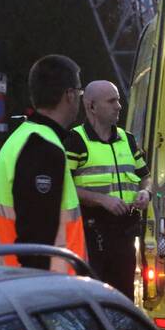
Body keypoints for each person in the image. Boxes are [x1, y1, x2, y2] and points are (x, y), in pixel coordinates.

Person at [0, 54, 87, 272]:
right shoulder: (43, 147)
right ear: (69, 95)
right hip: (46, 291)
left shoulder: (23, 138)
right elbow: (36, 240)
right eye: (79, 92)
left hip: (18, 282)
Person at [65, 81, 152, 299]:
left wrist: (145, 193)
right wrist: (101, 200)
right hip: (92, 233)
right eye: (112, 101)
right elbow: (64, 187)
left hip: (125, 233)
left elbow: (146, 178)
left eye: (119, 100)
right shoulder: (76, 140)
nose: (119, 106)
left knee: (123, 297)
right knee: (94, 297)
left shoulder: (127, 139)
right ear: (91, 106)